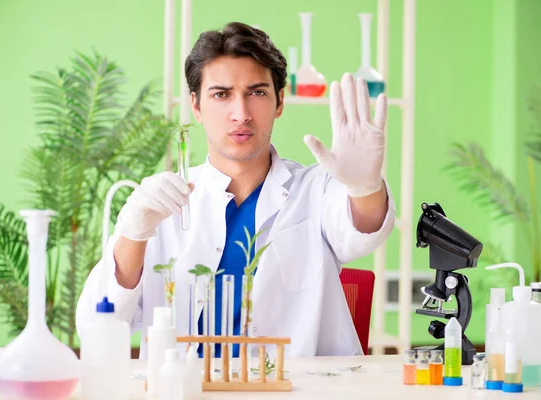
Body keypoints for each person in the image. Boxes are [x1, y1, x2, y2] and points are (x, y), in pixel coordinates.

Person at [76, 21, 395, 358]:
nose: (240, 114)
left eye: (256, 92)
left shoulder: (316, 189)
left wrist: (364, 187)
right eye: (221, 94)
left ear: (280, 101)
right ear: (196, 106)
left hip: (297, 390)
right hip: (186, 388)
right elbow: (98, 324)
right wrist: (133, 231)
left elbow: (363, 229)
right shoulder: (164, 203)